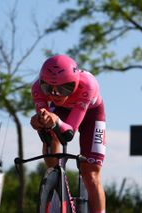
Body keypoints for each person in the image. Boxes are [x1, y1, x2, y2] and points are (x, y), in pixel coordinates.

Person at [30, 55, 106, 213]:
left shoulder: (88, 85)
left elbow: (70, 132)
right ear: (41, 83)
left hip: (91, 114)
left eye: (65, 89)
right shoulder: (37, 88)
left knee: (90, 174)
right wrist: (39, 123)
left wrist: (55, 121)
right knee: (50, 136)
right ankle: (59, 184)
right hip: (62, 112)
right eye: (48, 88)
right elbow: (45, 129)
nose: (55, 94)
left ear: (75, 83)